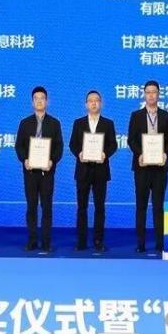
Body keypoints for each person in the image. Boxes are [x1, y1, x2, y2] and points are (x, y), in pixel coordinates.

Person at [127, 80, 168, 253]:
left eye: (154, 92)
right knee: (141, 206)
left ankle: (160, 243)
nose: (151, 95)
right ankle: (140, 243)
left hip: (160, 168)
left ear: (159, 95)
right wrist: (140, 154)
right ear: (144, 95)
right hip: (142, 167)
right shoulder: (136, 116)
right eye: (148, 92)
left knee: (158, 206)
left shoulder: (166, 116)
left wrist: (165, 153)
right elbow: (131, 140)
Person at [14, 86, 64, 252]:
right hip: (30, 172)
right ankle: (32, 240)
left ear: (47, 101)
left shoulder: (54, 123)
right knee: (31, 206)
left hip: (47, 172)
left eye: (42, 98)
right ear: (32, 102)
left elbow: (59, 146)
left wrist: (52, 161)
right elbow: (19, 146)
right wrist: (25, 159)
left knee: (47, 207)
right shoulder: (25, 123)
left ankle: (46, 241)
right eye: (36, 98)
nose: (39, 101)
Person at [68, 90, 118, 251]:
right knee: (82, 207)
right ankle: (81, 241)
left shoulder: (108, 123)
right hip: (83, 170)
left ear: (101, 104)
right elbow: (72, 144)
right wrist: (79, 153)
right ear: (86, 104)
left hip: (101, 171)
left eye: (96, 100)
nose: (94, 103)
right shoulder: (78, 123)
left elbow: (113, 145)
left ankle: (98, 241)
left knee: (99, 207)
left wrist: (105, 154)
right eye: (90, 100)